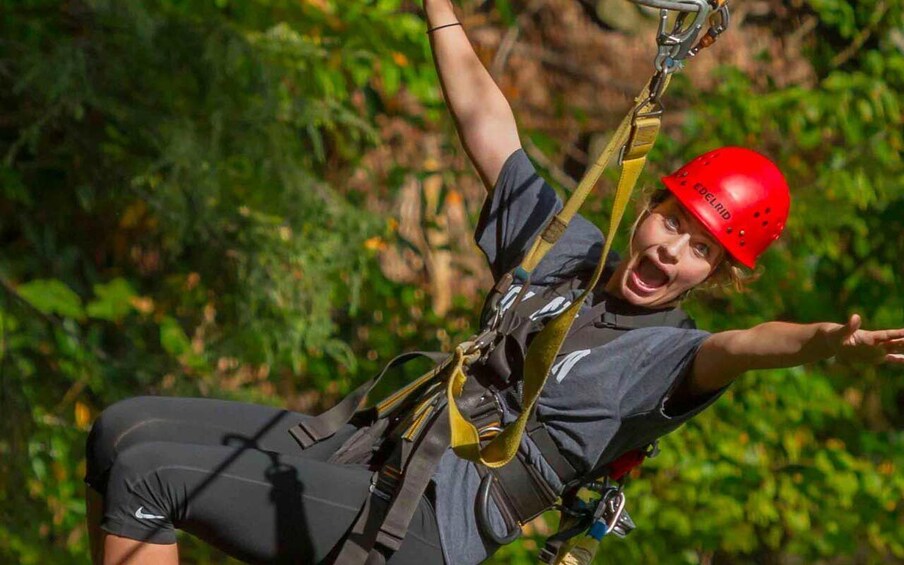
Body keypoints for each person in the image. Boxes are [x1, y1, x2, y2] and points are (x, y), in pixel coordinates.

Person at [84, 2, 904, 564]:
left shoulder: (669, 356)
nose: (670, 251)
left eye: (699, 250)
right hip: (379, 455)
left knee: (150, 474)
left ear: (716, 275)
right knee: (120, 429)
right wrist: (439, 11)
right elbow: (488, 124)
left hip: (428, 523)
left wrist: (823, 345)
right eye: (672, 223)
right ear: (648, 206)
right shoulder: (566, 250)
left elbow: (743, 348)